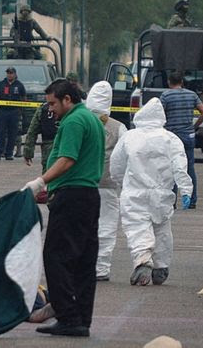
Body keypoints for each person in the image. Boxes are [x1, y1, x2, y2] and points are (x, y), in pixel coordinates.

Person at [23, 79, 105, 337]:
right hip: (89, 195)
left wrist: (41, 181)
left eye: (53, 103)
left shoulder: (73, 122)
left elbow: (67, 159)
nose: (51, 110)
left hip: (72, 197)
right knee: (83, 260)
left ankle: (67, 316)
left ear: (67, 99)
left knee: (56, 256)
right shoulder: (92, 119)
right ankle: (81, 319)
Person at [110, 98, 192, 286]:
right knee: (162, 228)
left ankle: (143, 261)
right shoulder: (171, 139)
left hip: (134, 191)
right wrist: (186, 190)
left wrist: (120, 181)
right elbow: (180, 166)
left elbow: (116, 164)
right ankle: (161, 266)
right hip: (161, 193)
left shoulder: (130, 137)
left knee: (137, 228)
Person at [86, 81, 127, 281]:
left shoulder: (78, 121)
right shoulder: (119, 128)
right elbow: (124, 158)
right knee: (107, 226)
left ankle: (83, 266)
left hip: (82, 183)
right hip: (108, 184)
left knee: (83, 226)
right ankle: (101, 268)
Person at [160, 71, 203, 209]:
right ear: (182, 82)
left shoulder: (166, 95)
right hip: (188, 136)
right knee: (189, 168)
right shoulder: (192, 94)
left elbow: (160, 113)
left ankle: (172, 201)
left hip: (172, 137)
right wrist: (194, 127)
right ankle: (192, 200)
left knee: (171, 168)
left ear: (169, 82)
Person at [0, 67, 26, 160]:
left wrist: (20, 110)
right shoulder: (1, 84)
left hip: (14, 112)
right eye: (8, 73)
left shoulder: (19, 85)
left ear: (15, 74)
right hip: (3, 111)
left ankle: (9, 154)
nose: (9, 75)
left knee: (12, 133)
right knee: (1, 133)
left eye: (11, 73)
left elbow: (23, 97)